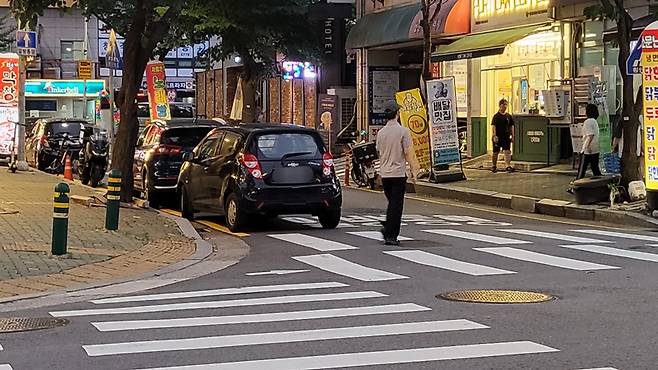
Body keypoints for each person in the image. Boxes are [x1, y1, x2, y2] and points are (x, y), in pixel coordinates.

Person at [376, 100, 420, 246]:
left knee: (392, 203)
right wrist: (414, 170)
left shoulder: (381, 133)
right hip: (398, 174)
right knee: (396, 205)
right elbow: (408, 153)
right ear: (397, 114)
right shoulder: (403, 131)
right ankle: (391, 235)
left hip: (385, 174)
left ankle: (387, 226)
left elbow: (379, 152)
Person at [577, 103, 602, 179]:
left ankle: (577, 185)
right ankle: (600, 183)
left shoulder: (588, 122)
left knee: (582, 169)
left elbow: (590, 136)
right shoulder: (594, 121)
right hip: (595, 149)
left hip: (588, 150)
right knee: (595, 168)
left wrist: (584, 148)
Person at [491, 99, 515, 173]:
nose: (505, 106)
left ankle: (507, 166)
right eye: (503, 105)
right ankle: (494, 166)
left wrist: (513, 136)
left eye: (506, 105)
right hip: (498, 137)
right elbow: (493, 126)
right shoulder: (496, 116)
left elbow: (511, 126)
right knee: (495, 152)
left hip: (506, 136)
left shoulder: (508, 116)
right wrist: (494, 136)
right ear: (500, 105)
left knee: (507, 151)